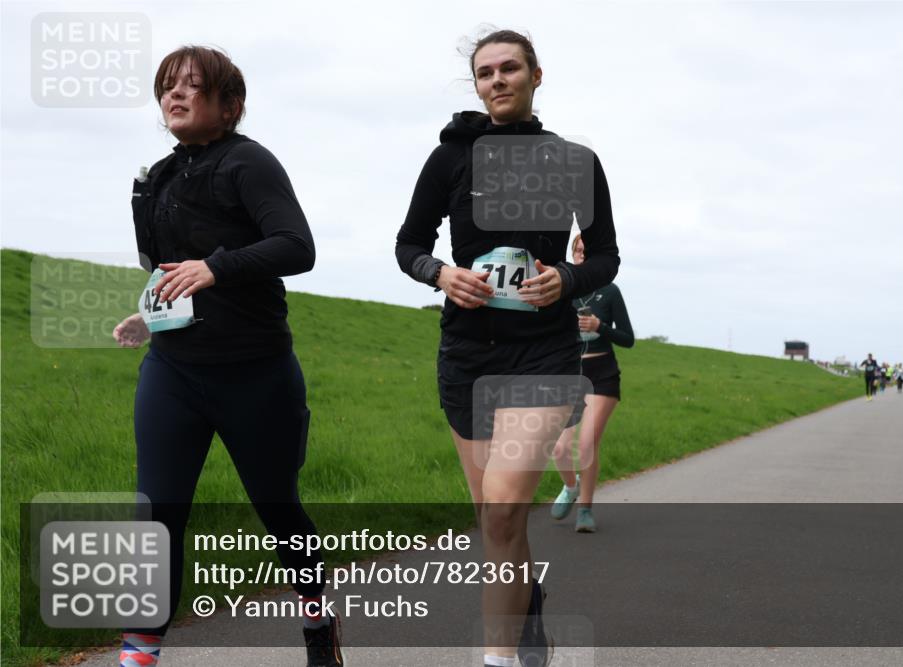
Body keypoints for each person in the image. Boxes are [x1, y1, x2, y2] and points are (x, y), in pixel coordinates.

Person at [395, 29, 619, 667]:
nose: (497, 80)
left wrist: (566, 279)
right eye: (485, 72)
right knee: (497, 525)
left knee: (501, 508)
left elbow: (605, 255)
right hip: (467, 353)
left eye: (509, 68)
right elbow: (408, 243)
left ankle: (495, 660)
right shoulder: (450, 159)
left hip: (542, 357)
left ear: (535, 76)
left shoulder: (576, 160)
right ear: (477, 85)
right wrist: (440, 274)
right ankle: (528, 614)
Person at [113, 46, 342, 667]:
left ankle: (318, 625)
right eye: (167, 87)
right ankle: (139, 654)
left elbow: (297, 246)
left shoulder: (249, 162)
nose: (174, 96)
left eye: (191, 86)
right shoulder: (154, 179)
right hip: (174, 370)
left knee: (276, 506)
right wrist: (150, 310)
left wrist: (214, 268)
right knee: (155, 517)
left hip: (255, 371)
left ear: (229, 105)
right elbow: (168, 268)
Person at [550, 234, 634, 532]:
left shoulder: (610, 292)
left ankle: (585, 509)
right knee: (559, 449)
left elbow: (628, 339)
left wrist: (601, 327)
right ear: (572, 254)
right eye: (578, 250)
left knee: (586, 444)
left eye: (588, 251)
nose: (582, 255)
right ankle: (571, 487)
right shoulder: (563, 292)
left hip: (602, 374)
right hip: (570, 373)